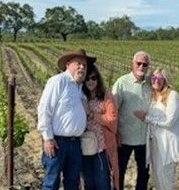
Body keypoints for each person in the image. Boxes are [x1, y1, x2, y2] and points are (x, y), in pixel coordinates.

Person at [37, 49, 96, 190]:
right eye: (78, 63)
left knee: (72, 182)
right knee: (51, 182)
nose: (82, 67)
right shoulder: (58, 82)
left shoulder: (80, 88)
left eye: (85, 65)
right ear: (68, 64)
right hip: (57, 143)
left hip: (75, 143)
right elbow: (44, 110)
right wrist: (48, 138)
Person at [134, 68, 179, 190]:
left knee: (166, 180)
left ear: (165, 80)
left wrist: (146, 118)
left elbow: (169, 121)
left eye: (159, 79)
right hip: (155, 144)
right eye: (153, 78)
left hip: (167, 146)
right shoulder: (154, 96)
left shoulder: (172, 95)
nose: (156, 81)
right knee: (157, 177)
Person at [112, 51, 151, 190]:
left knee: (144, 173)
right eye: (138, 63)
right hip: (124, 137)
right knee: (119, 171)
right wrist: (115, 132)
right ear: (132, 64)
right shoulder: (122, 82)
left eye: (144, 64)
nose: (141, 66)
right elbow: (113, 109)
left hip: (144, 138)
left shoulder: (151, 84)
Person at [81, 64, 119, 190]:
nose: (90, 81)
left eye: (93, 78)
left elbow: (112, 120)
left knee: (102, 182)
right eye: (87, 78)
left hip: (101, 147)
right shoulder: (81, 96)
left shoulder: (106, 96)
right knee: (89, 183)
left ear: (98, 79)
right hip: (84, 146)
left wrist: (92, 115)